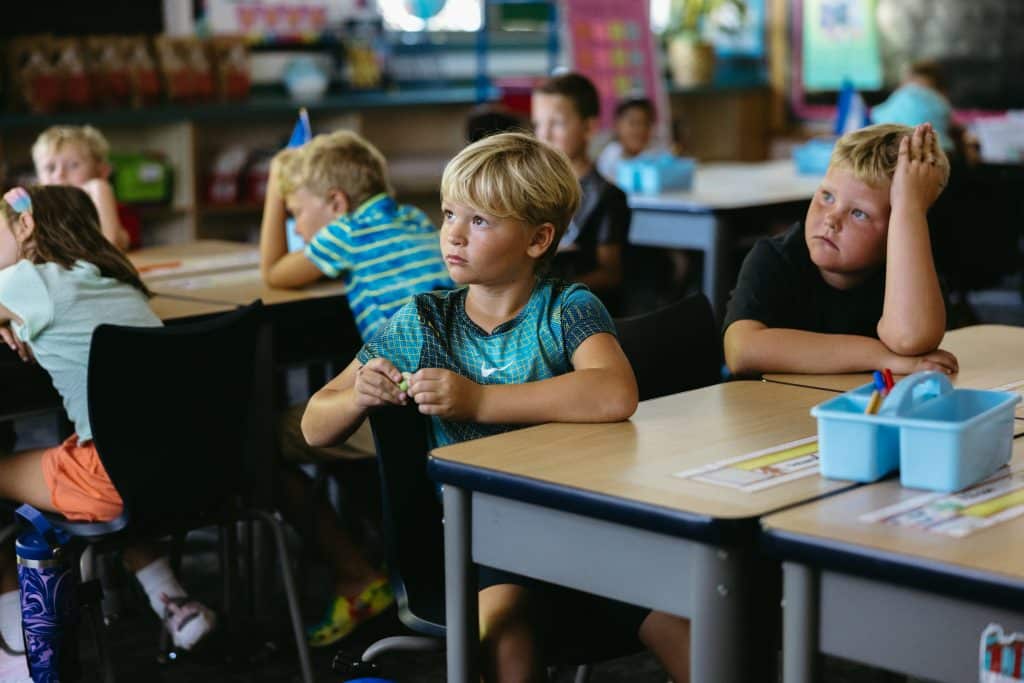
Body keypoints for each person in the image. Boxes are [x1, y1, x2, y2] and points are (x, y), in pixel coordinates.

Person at [301, 132, 692, 682]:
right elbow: (315, 424)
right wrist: (359, 394)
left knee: (682, 612)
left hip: (583, 524)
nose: (453, 234)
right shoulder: (424, 320)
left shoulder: (567, 309)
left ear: (538, 240)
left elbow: (613, 392)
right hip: (482, 536)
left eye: (480, 221)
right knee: (504, 626)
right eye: (448, 214)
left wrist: (480, 399)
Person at [0, 186, 214, 681]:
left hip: (112, 477)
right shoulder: (119, 280)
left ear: (26, 227)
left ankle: (17, 649)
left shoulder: (24, 280)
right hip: (181, 465)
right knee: (94, 458)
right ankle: (173, 600)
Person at [259, 129, 453, 647]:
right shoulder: (413, 217)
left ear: (337, 204)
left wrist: (275, 192)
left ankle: (357, 576)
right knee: (342, 424)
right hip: (449, 387)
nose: (298, 225)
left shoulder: (344, 234)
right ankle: (390, 551)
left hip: (409, 408)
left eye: (298, 213)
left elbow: (274, 272)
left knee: (267, 440)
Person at [723, 122, 958, 377]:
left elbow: (910, 339)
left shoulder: (909, 271)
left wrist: (909, 208)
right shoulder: (774, 259)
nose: (831, 219)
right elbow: (742, 350)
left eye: (859, 213)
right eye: (827, 197)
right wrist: (881, 357)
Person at [532, 73, 630, 311]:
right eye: (537, 124)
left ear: (588, 127)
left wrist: (547, 293)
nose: (544, 135)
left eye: (557, 123)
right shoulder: (533, 190)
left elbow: (610, 274)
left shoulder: (607, 196)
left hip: (582, 315)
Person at [32, 126, 133, 250]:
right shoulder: (34, 214)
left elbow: (111, 245)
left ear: (102, 172)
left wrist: (100, 188)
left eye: (73, 165)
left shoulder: (117, 210)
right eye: (50, 168)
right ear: (38, 179)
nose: (59, 174)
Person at [596, 97, 668, 182]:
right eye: (632, 123)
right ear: (617, 126)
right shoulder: (609, 157)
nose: (640, 130)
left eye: (645, 123)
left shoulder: (659, 156)